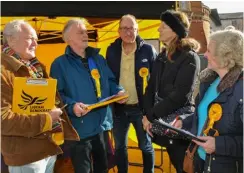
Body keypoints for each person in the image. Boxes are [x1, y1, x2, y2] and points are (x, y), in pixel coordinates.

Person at [1, 20, 79, 173]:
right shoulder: (3, 72)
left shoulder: (34, 67)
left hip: (47, 149)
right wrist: (48, 119)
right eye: (30, 38)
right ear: (11, 40)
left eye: (37, 40)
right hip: (26, 156)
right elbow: (3, 121)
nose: (36, 44)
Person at [50, 18, 125, 173]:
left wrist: (119, 91)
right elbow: (57, 95)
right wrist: (72, 106)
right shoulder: (59, 64)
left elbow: (110, 81)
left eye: (86, 31)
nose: (86, 35)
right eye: (80, 32)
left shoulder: (98, 58)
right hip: (79, 129)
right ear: (68, 38)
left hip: (102, 125)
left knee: (103, 168)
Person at [173, 26, 243, 173]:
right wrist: (183, 121)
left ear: (225, 56)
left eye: (209, 51)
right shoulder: (210, 81)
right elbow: (204, 114)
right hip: (200, 162)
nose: (204, 55)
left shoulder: (240, 88)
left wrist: (219, 145)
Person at [142, 10, 201, 173]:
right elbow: (150, 88)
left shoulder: (189, 57)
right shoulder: (162, 55)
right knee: (177, 165)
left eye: (163, 26)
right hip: (162, 123)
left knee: (184, 167)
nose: (159, 29)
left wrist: (151, 116)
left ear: (175, 30)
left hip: (178, 125)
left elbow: (180, 96)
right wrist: (147, 114)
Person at [106, 14, 157, 173]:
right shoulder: (112, 50)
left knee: (145, 146)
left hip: (140, 109)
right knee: (120, 146)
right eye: (125, 29)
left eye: (132, 29)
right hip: (119, 109)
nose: (129, 32)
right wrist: (115, 92)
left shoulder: (148, 50)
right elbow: (108, 78)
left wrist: (150, 110)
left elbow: (155, 80)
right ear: (119, 31)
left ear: (137, 30)